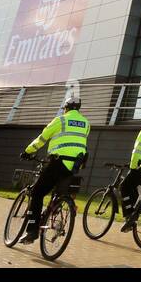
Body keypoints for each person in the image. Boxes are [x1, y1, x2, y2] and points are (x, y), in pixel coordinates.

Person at [19, 95, 90, 243]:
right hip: (75, 165)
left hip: (58, 162)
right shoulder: (86, 123)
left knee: (37, 193)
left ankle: (32, 231)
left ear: (66, 108)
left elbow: (42, 138)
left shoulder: (60, 120)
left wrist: (28, 151)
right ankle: (55, 209)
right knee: (59, 191)